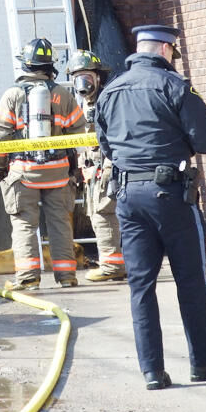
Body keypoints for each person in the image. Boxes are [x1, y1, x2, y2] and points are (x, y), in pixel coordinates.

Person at [94, 24, 206, 390]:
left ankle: (152, 371)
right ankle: (203, 362)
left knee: (141, 286)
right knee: (190, 280)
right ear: (166, 50)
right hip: (169, 195)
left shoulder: (110, 91)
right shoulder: (175, 86)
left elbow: (105, 145)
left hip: (127, 196)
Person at [0, 37, 87, 291]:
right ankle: (67, 277)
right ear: (49, 65)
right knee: (59, 223)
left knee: (24, 223)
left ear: (26, 65)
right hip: (58, 173)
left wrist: (0, 169)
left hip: (24, 173)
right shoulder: (62, 94)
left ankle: (28, 278)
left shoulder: (12, 95)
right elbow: (80, 132)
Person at [67, 50, 126, 282]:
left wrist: (109, 165)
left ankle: (112, 266)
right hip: (92, 169)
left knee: (103, 213)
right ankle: (117, 263)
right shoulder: (82, 104)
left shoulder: (107, 101)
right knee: (98, 214)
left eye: (87, 77)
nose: (83, 84)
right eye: (78, 78)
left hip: (107, 166)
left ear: (98, 77)